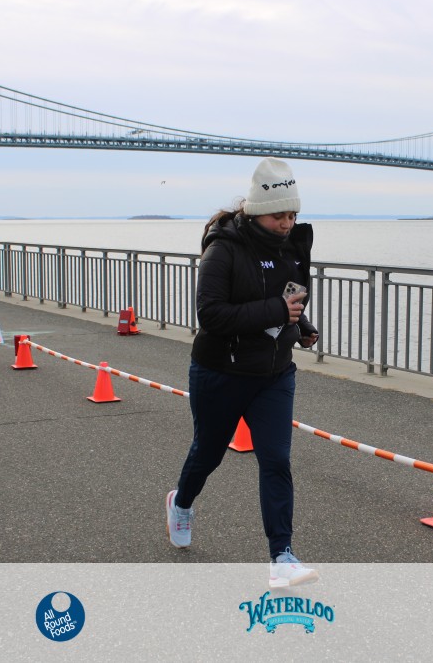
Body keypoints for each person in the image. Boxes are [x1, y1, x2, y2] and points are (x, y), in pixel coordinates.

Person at [166, 157, 320, 588]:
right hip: (221, 372)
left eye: (292, 215)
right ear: (256, 211)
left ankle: (282, 556)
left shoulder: (292, 247)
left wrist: (302, 328)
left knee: (276, 460)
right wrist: (278, 311)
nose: (287, 224)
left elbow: (289, 299)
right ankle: (181, 504)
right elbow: (212, 315)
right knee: (208, 453)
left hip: (274, 375)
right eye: (278, 216)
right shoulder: (224, 249)